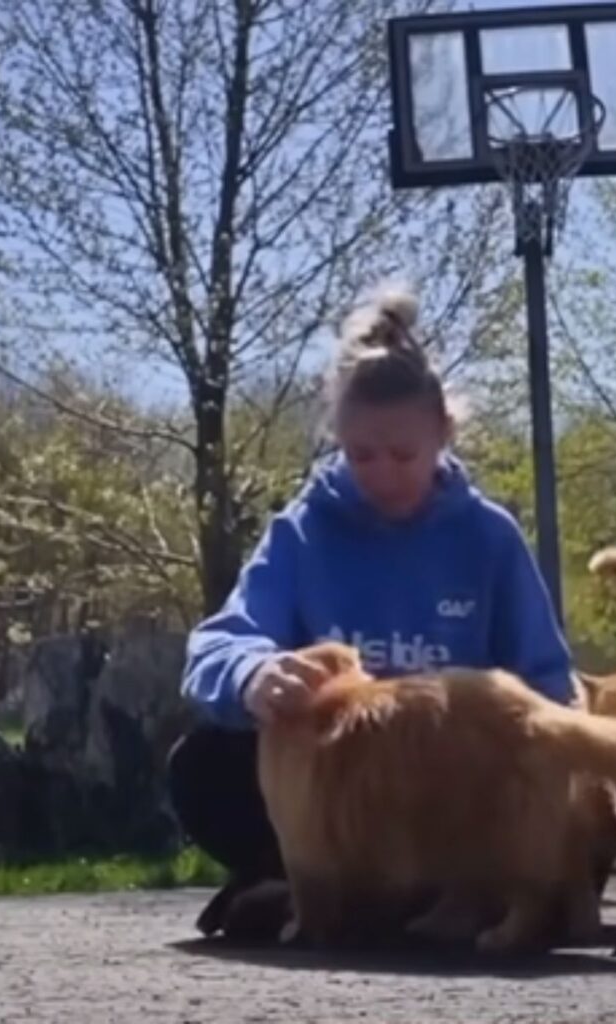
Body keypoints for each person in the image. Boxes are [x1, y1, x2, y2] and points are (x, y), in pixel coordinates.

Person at [166, 281, 575, 940]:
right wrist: (253, 675)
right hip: (342, 800)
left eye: (404, 454)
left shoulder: (489, 537)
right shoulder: (302, 532)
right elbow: (219, 645)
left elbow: (551, 685)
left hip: (448, 793)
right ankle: (328, 885)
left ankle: (399, 896)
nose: (382, 473)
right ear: (337, 441)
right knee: (204, 763)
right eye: (362, 455)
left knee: (551, 788)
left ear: (444, 432)